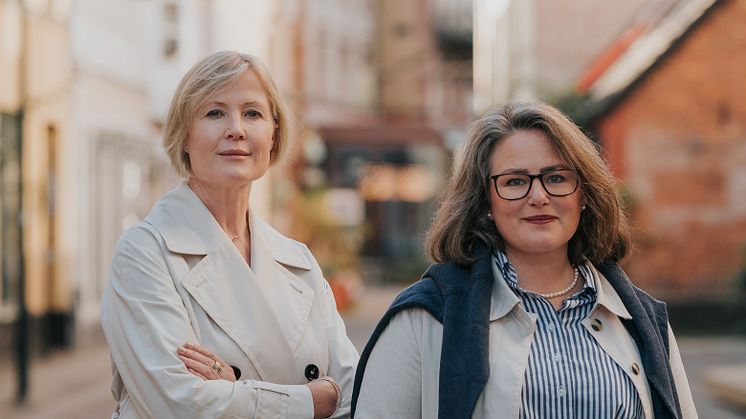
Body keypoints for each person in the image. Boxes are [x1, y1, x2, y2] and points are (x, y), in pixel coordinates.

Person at [351, 101, 697, 419]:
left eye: (556, 178)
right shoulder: (425, 317)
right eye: (515, 181)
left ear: (584, 195)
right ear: (485, 201)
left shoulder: (643, 320)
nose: (539, 196)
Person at [101, 50, 359, 419]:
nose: (236, 128)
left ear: (273, 135)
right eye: (214, 112)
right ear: (184, 136)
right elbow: (181, 405)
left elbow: (358, 394)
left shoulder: (298, 261)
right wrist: (316, 400)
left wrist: (235, 391)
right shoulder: (145, 252)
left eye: (253, 113)